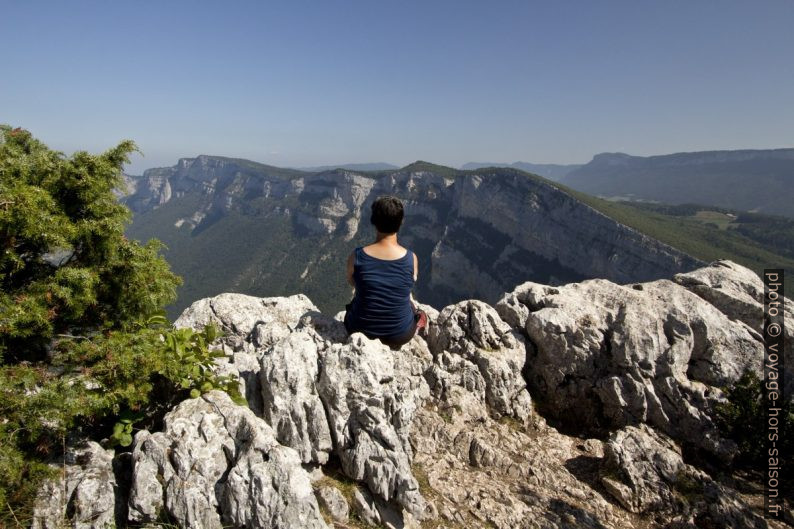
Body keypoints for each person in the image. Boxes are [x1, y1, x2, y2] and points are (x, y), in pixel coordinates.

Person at [343, 195, 427, 349]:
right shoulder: (411, 258)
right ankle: (419, 320)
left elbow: (352, 281)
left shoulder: (356, 256)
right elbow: (411, 281)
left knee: (355, 302)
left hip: (359, 329)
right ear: (401, 222)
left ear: (373, 221)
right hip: (400, 335)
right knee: (412, 306)